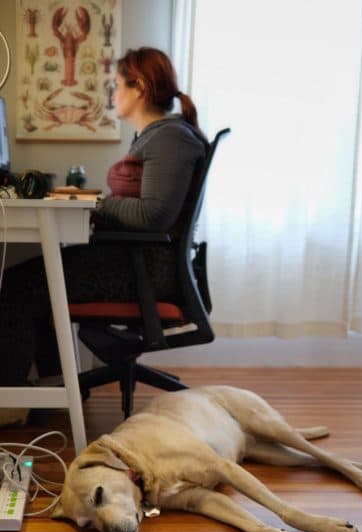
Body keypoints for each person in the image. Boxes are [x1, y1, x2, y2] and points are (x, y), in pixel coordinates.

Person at [0, 47, 208, 387]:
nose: (111, 94)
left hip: (146, 269)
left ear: (138, 86)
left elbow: (153, 216)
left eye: (116, 85)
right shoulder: (158, 136)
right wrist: (96, 203)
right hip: (133, 261)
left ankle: (10, 403)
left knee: (16, 287)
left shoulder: (169, 138)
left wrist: (97, 204)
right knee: (36, 278)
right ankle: (56, 389)